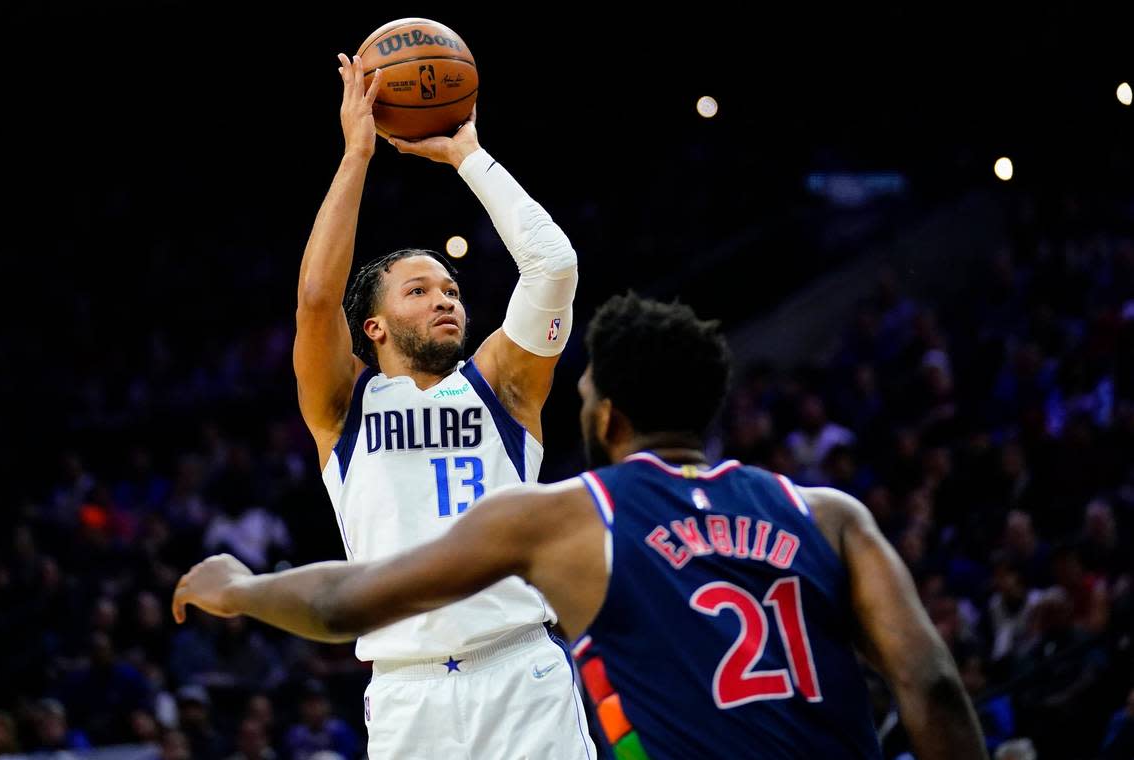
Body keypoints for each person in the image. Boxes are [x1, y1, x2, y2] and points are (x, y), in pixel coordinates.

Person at [176, 294, 986, 759]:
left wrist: (243, 588)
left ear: (608, 417)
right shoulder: (830, 515)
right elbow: (935, 686)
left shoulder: (572, 515)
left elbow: (343, 603)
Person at [289, 52, 590, 757]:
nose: (445, 299)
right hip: (406, 690)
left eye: (450, 289)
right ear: (375, 327)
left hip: (521, 670)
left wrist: (470, 156)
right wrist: (356, 154)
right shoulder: (343, 406)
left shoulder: (502, 387)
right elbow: (314, 300)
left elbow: (553, 268)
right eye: (419, 291)